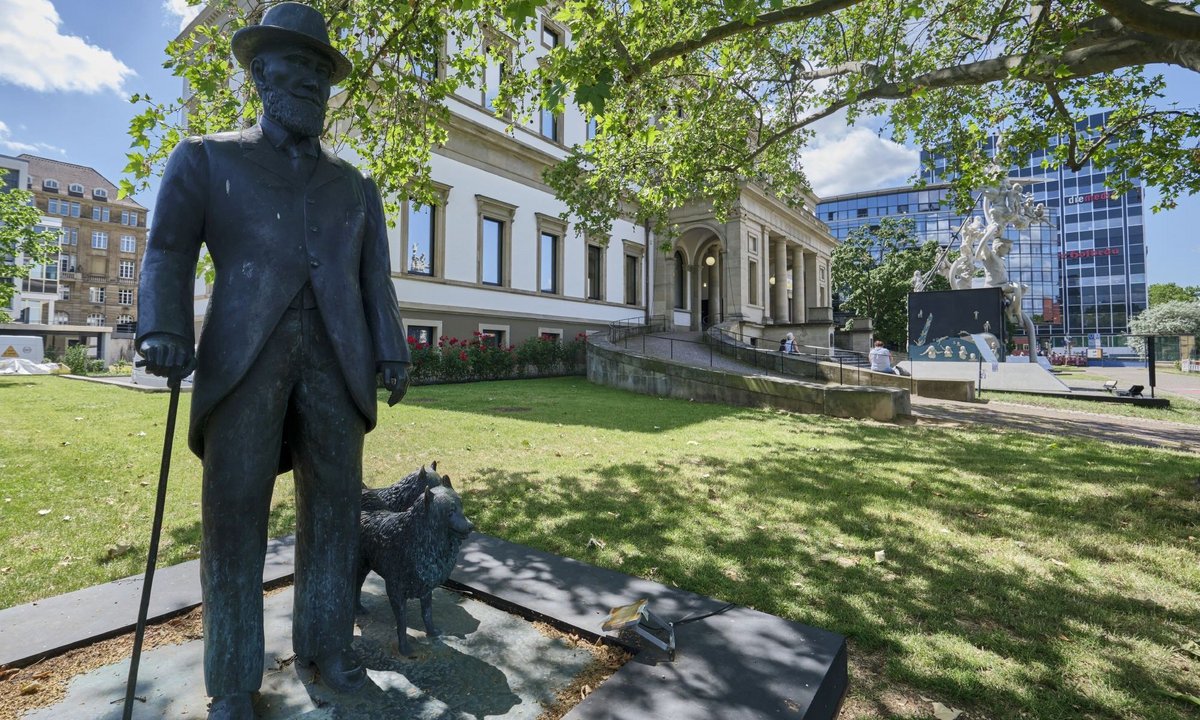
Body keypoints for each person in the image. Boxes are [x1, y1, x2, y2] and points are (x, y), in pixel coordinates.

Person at [135, 5, 409, 718]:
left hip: (337, 361)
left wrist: (390, 347)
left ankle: (328, 647)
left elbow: (373, 279)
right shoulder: (206, 157)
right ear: (260, 74)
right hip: (243, 359)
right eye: (298, 68)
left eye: (322, 72)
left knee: (336, 512)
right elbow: (167, 249)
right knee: (234, 517)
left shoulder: (356, 185)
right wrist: (163, 328)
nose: (313, 84)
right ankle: (231, 680)